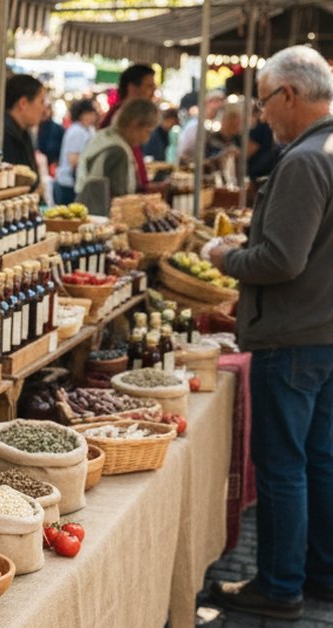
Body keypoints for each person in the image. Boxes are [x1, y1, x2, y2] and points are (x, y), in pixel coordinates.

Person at [208, 45, 333, 622]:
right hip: (322, 332)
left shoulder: (307, 159)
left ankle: (281, 585)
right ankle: (320, 575)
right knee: (319, 460)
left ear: (289, 94)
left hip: (292, 336)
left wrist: (225, 256)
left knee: (284, 465)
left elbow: (280, 260)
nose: (263, 117)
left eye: (264, 104)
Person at [73, 99, 158, 216]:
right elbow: (121, 200)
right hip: (102, 217)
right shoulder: (118, 151)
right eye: (148, 131)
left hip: (84, 210)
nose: (147, 139)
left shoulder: (103, 136)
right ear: (135, 125)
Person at [1, 74, 46, 187]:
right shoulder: (3, 134)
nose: (44, 109)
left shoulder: (23, 131)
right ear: (23, 103)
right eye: (41, 102)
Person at [53, 99, 97, 205]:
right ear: (80, 115)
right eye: (88, 113)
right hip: (68, 184)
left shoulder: (90, 130)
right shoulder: (76, 131)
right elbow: (73, 159)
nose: (92, 116)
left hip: (77, 182)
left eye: (93, 113)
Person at [98, 64, 156, 130]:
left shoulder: (139, 113)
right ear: (132, 88)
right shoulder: (119, 114)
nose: (154, 92)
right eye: (149, 86)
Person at [178, 90, 226, 163]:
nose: (220, 105)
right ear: (207, 103)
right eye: (215, 101)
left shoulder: (217, 124)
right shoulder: (194, 125)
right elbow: (186, 151)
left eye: (221, 101)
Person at [246, 109, 279, 180]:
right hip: (269, 169)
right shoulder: (270, 127)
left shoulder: (259, 127)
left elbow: (249, 151)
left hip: (257, 171)